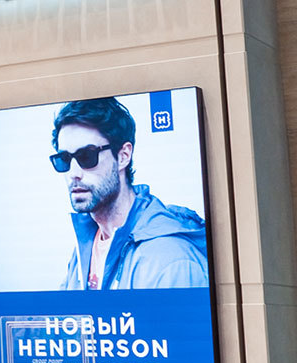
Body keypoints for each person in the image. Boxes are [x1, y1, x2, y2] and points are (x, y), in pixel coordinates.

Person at [49, 97, 208, 290]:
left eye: (87, 156)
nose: (73, 173)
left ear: (123, 156)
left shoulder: (171, 261)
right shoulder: (85, 248)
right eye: (64, 159)